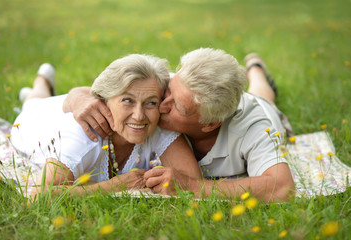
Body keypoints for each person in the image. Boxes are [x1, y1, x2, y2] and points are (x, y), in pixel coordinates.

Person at [64, 48, 295, 202]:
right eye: (168, 91)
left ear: (210, 124)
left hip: (260, 109)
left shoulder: (254, 129)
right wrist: (79, 99)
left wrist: (193, 187)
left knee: (263, 97)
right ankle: (254, 69)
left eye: (178, 108)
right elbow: (111, 89)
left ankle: (256, 69)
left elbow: (283, 187)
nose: (161, 105)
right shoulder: (183, 85)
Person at [11, 54, 201, 199]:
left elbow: (191, 181)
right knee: (33, 102)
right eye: (127, 100)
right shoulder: (80, 137)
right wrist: (114, 186)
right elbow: (38, 196)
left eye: (151, 102)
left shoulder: (156, 124)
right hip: (37, 118)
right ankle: (41, 82)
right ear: (104, 100)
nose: (139, 115)